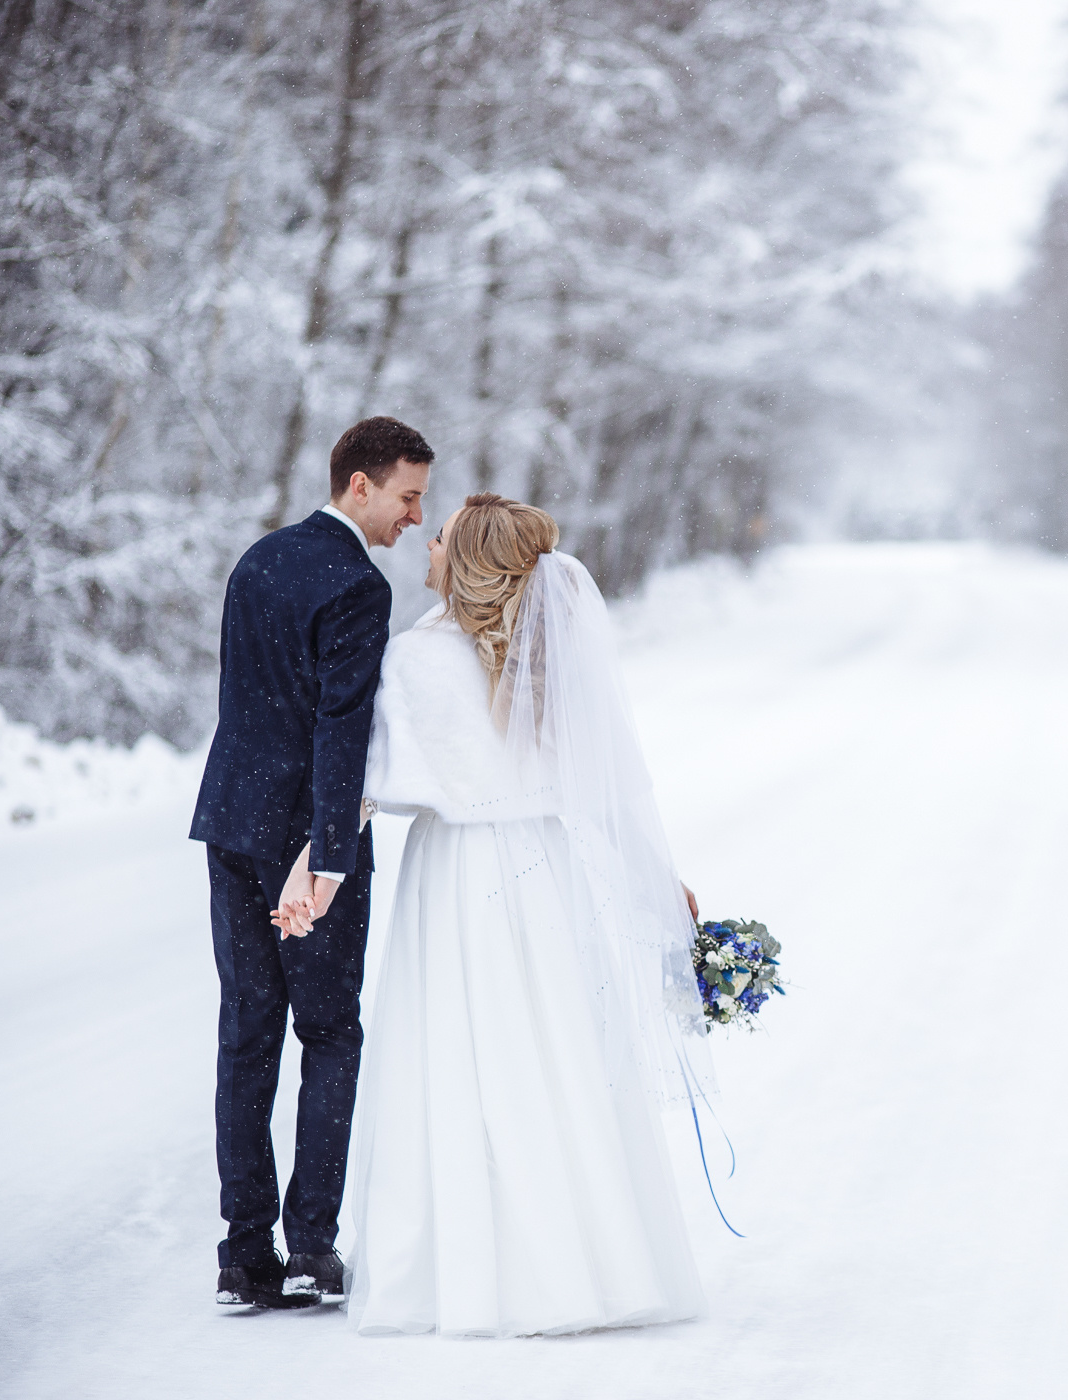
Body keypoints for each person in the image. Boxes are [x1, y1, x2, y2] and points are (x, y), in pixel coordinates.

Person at [274, 492, 712, 1337]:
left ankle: (469, 1276)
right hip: (544, 870)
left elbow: (361, 789)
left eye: (439, 540)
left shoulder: (415, 661)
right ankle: (593, 1266)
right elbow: (606, 792)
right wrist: (664, 882)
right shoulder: (550, 663)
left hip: (457, 876)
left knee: (460, 1063)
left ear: (467, 561)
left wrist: (309, 876)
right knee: (552, 1057)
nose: (426, 547)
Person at [190, 417, 434, 1309]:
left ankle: (243, 1252)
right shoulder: (356, 586)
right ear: (359, 485)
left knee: (246, 1032)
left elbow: (246, 701)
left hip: (231, 823)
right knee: (329, 1032)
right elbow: (340, 731)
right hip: (308, 842)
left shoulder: (257, 560)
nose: (416, 516)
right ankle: (313, 1246)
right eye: (408, 496)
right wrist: (328, 857)